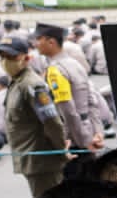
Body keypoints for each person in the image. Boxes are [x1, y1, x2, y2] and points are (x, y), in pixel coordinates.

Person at [0, 36, 68, 198]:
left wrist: (61, 150)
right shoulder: (17, 81)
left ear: (26, 58)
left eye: (11, 57)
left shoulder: (32, 85)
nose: (5, 61)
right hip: (31, 160)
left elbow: (52, 122)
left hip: (42, 161)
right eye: (2, 57)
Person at [31, 22, 102, 153]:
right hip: (88, 129)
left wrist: (84, 142)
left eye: (38, 40)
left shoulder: (55, 70)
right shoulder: (74, 63)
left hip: (73, 137)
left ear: (51, 42)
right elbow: (92, 99)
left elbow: (67, 110)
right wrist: (97, 131)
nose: (35, 44)